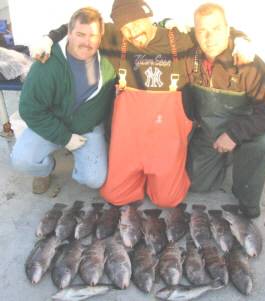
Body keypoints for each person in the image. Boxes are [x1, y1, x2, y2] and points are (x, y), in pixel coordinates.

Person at [31, 0, 253, 207]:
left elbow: (212, 33)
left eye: (137, 23)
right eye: (125, 28)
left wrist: (241, 39)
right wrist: (49, 38)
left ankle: (157, 178)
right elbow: (79, 25)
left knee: (168, 200)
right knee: (115, 196)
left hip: (167, 138)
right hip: (129, 139)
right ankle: (137, 177)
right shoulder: (115, 37)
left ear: (149, 16)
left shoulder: (180, 38)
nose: (133, 33)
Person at [185, 3, 265, 218]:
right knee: (196, 185)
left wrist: (234, 134)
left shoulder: (249, 62)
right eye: (203, 31)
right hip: (208, 134)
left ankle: (246, 191)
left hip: (242, 133)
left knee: (264, 143)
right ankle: (225, 160)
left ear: (228, 29)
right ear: (195, 33)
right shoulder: (190, 56)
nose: (209, 37)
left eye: (216, 29)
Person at [11, 7, 116, 194]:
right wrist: (64, 138)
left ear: (101, 36)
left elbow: (138, 29)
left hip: (87, 128)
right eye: (80, 34)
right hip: (53, 121)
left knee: (95, 180)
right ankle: (44, 170)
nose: (86, 41)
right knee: (21, 159)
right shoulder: (47, 63)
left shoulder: (111, 57)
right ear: (69, 34)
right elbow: (30, 110)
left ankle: (82, 163)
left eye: (92, 35)